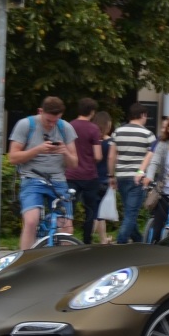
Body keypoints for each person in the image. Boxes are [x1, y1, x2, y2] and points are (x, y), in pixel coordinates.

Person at [7, 95, 79, 251]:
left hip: (58, 180)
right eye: (48, 121)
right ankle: (24, 261)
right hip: (32, 178)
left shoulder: (65, 128)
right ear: (40, 111)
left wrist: (64, 151)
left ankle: (63, 265)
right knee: (31, 221)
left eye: (56, 121)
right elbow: (12, 157)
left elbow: (74, 163)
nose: (52, 125)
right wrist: (38, 149)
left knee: (67, 228)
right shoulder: (26, 125)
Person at [112, 103, 155, 244]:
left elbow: (112, 156)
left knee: (129, 212)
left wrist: (111, 175)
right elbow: (153, 157)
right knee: (131, 214)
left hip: (121, 177)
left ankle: (139, 241)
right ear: (142, 115)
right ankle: (121, 242)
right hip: (138, 178)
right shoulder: (148, 134)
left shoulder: (117, 132)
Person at [65, 97, 104, 245]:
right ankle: (86, 241)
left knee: (69, 209)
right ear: (92, 112)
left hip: (71, 174)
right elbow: (98, 155)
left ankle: (66, 238)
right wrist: (90, 161)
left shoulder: (69, 126)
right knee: (90, 210)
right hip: (89, 176)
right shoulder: (93, 129)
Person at [92, 111, 117, 244]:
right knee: (99, 213)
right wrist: (111, 176)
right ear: (107, 125)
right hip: (105, 179)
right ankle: (90, 235)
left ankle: (103, 239)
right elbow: (111, 159)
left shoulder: (93, 141)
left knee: (96, 211)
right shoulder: (111, 142)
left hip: (91, 178)